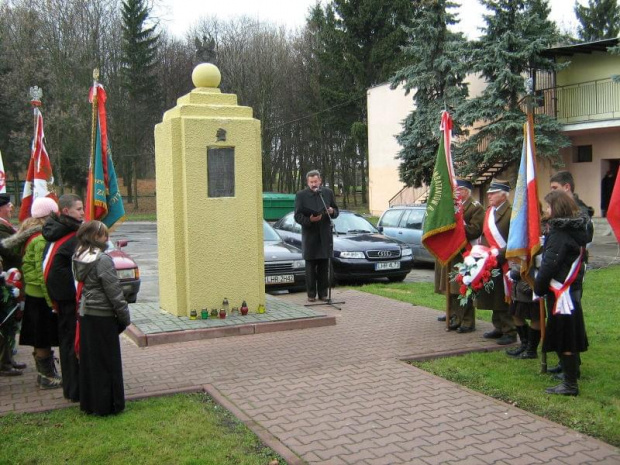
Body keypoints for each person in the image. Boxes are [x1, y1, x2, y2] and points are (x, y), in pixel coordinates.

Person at [534, 190, 589, 396]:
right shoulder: (574, 228)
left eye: (548, 207)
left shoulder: (561, 232)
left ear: (557, 208)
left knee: (566, 337)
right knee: (567, 335)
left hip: (562, 293)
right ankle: (569, 377)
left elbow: (551, 263)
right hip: (569, 291)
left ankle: (570, 384)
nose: (546, 210)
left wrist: (538, 287)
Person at [3, 197, 62, 387]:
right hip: (40, 295)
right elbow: (40, 271)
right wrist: (50, 299)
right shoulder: (40, 238)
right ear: (49, 215)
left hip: (33, 294)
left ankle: (45, 372)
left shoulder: (30, 233)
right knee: (43, 337)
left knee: (40, 336)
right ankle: (46, 376)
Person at [73, 220, 130, 415]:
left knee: (91, 362)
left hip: (87, 313)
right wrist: (124, 316)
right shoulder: (102, 259)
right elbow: (114, 292)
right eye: (104, 235)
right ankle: (108, 405)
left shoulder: (79, 255)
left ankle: (90, 404)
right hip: (103, 315)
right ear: (94, 237)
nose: (107, 238)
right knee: (108, 362)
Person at [42, 193, 83, 401]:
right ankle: (76, 389)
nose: (83, 213)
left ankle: (72, 387)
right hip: (70, 299)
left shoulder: (55, 230)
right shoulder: (71, 237)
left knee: (67, 343)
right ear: (66, 211)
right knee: (72, 344)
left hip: (60, 298)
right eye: (79, 209)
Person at [434, 179, 484, 333]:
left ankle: (467, 322)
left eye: (458, 190)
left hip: (465, 254)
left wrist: (459, 227)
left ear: (466, 191)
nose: (455, 193)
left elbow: (475, 230)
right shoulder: (455, 206)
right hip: (452, 252)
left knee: (464, 287)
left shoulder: (475, 208)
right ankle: (455, 316)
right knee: (452, 288)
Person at [476, 179, 517, 345]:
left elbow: (515, 241)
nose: (489, 195)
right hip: (490, 261)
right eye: (489, 193)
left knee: (503, 297)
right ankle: (498, 326)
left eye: (493, 193)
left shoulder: (511, 213)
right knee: (493, 295)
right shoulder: (490, 211)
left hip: (504, 261)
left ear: (503, 194)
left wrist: (499, 254)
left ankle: (510, 330)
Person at [294, 170, 339, 302]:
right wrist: (309, 220)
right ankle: (311, 295)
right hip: (310, 236)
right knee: (310, 267)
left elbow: (336, 211)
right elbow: (297, 216)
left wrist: (332, 211)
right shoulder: (301, 195)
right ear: (307, 182)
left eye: (316, 181)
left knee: (324, 266)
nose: (314, 184)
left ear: (320, 181)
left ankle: (323, 294)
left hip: (325, 235)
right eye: (311, 182)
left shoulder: (327, 193)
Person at [0, 193, 25, 376]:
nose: (11, 208)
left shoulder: (6, 225)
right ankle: (4, 362)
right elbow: (8, 250)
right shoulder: (1, 228)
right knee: (5, 322)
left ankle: (8, 359)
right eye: (8, 205)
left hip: (12, 279)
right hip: (7, 279)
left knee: (10, 323)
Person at [505, 260, 541, 359]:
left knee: (535, 316)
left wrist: (515, 269)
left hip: (530, 282)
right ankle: (524, 345)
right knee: (516, 314)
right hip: (518, 285)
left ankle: (531, 350)